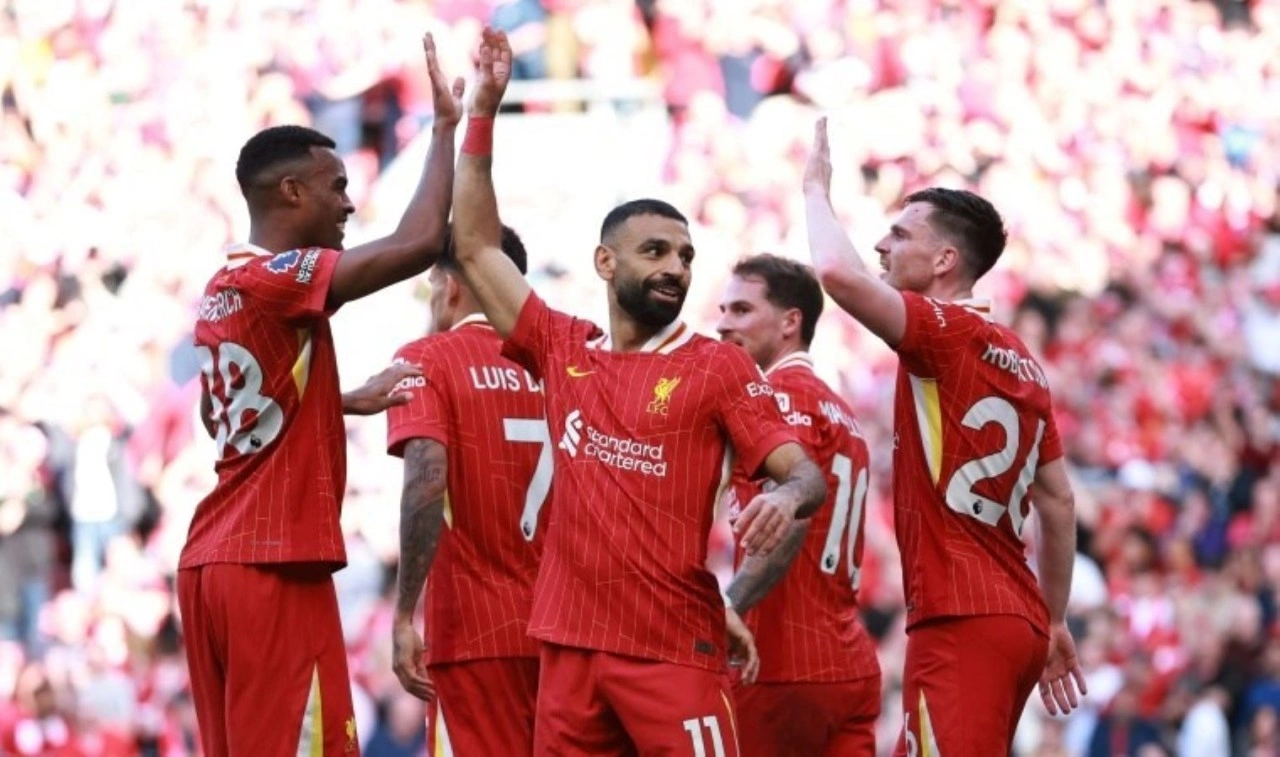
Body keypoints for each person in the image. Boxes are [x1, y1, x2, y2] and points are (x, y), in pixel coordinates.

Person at [447, 28, 828, 756]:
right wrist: (484, 113)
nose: (676, 268)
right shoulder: (562, 346)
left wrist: (785, 499)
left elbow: (806, 474)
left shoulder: (717, 367)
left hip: (672, 649)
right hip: (568, 647)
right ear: (605, 262)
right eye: (655, 251)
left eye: (685, 256)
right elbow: (473, 247)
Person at [177, 33, 464, 757]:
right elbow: (420, 242)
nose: (348, 201)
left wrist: (338, 399)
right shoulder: (278, 278)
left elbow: (236, 407)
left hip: (213, 563)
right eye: (335, 187)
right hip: (273, 561)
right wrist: (445, 127)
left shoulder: (221, 288)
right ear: (291, 192)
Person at [802, 117, 1086, 756]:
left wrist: (815, 190)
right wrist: (1055, 617)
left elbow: (838, 275)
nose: (882, 245)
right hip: (1014, 616)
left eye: (900, 234)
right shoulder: (1025, 362)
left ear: (944, 261)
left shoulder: (942, 331)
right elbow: (1059, 501)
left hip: (961, 616)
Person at [385, 223, 547, 755]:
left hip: (475, 632)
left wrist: (404, 614)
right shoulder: (565, 364)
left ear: (451, 285)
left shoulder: (428, 358)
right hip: (563, 630)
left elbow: (426, 480)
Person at [715, 253, 881, 756]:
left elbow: (792, 515)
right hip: (849, 664)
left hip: (779, 663)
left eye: (742, 310)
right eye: (723, 310)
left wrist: (727, 607)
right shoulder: (842, 410)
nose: (722, 325)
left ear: (791, 322)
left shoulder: (774, 398)